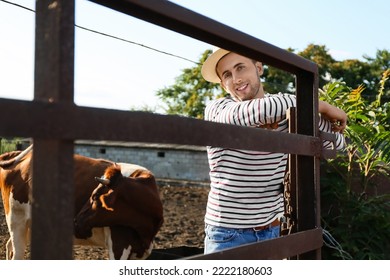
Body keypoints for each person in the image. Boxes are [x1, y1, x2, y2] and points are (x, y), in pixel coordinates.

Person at [200, 47, 347, 254]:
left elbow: (337, 142)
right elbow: (261, 110)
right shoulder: (218, 109)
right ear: (223, 84)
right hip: (228, 234)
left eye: (240, 67)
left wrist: (297, 114)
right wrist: (321, 105)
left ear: (258, 67)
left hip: (272, 229)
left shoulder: (286, 109)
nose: (236, 78)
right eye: (227, 75)